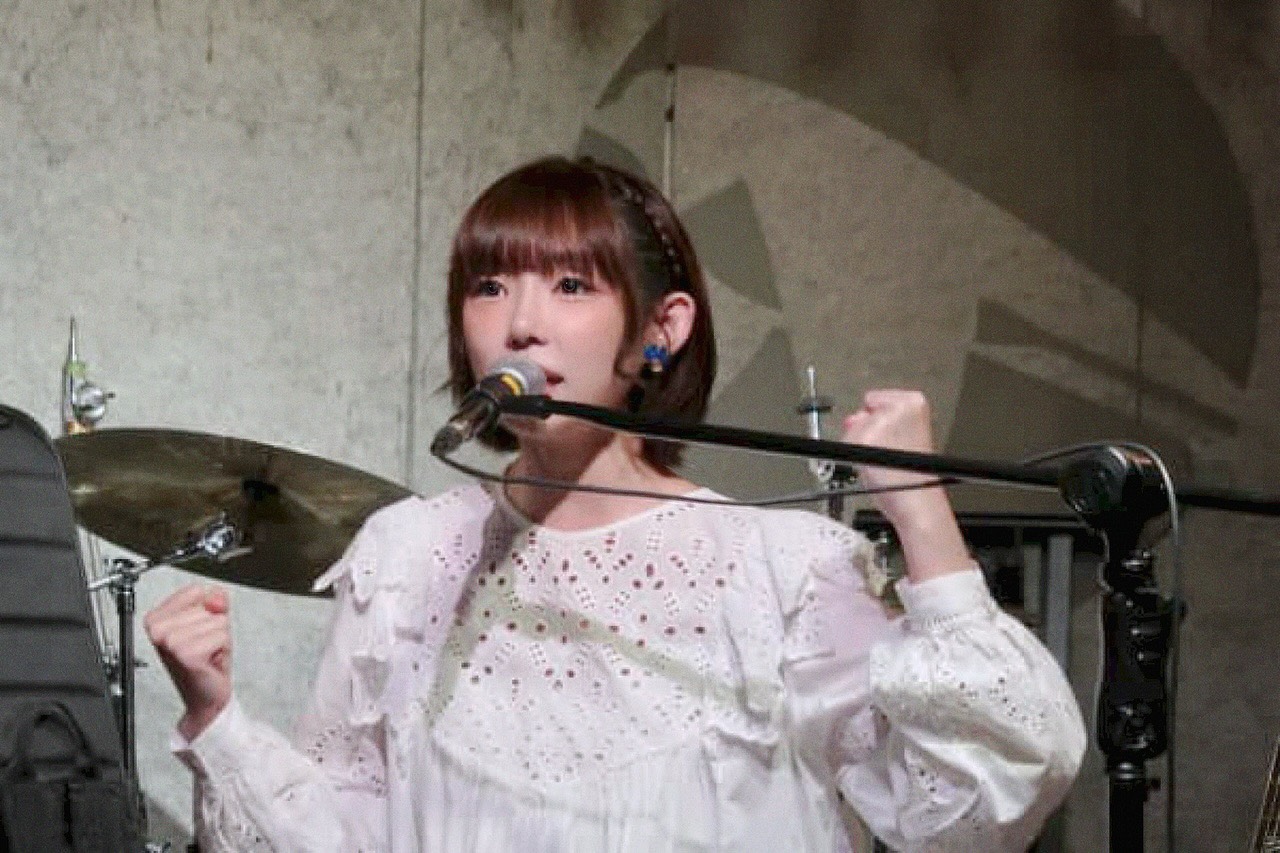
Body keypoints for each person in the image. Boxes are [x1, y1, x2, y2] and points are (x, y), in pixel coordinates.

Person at [145, 157, 1086, 852]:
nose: (521, 323)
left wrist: (922, 514)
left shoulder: (780, 565)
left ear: (660, 329)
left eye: (569, 285)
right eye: (489, 286)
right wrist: (216, 713)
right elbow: (348, 835)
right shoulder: (408, 555)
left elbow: (974, 808)